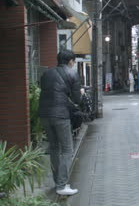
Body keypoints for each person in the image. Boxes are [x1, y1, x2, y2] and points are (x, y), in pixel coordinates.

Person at [39, 50, 82, 196]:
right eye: (74, 61)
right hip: (61, 116)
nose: (73, 64)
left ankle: (58, 182)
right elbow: (76, 100)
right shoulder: (72, 74)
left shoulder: (46, 74)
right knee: (67, 149)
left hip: (44, 114)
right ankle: (62, 185)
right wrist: (79, 94)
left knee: (54, 148)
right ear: (70, 61)